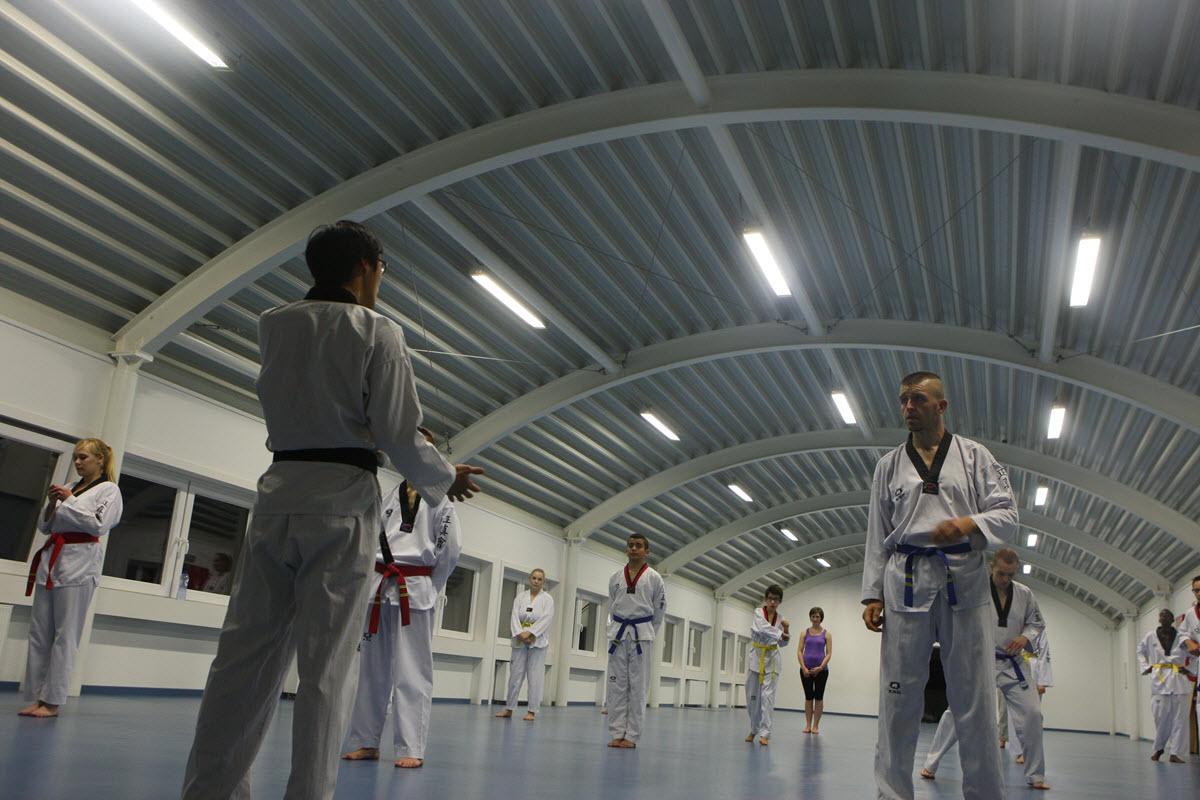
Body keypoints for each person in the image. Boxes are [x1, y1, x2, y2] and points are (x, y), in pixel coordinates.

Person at [180, 221, 483, 800]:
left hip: (278, 494)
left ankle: (209, 791)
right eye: (381, 270)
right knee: (326, 670)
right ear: (367, 266)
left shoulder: (275, 322)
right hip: (342, 502)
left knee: (242, 659)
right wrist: (447, 476)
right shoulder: (378, 331)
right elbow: (398, 432)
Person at [861, 371, 1018, 800]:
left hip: (963, 580)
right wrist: (872, 593)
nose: (908, 407)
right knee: (898, 697)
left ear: (941, 405)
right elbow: (878, 532)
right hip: (906, 580)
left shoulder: (974, 456)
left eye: (918, 399)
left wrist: (968, 524)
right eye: (903, 400)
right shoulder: (888, 465)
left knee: (975, 697)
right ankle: (892, 793)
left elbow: (1007, 515)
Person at [342, 431, 462, 767]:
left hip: (415, 588)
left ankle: (411, 747)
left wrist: (430, 586)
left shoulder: (441, 500)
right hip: (379, 586)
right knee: (370, 669)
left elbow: (450, 550)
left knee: (412, 670)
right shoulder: (388, 495)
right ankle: (366, 742)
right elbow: (369, 539)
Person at [919, 549, 1049, 789]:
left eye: (1011, 574)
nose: (1006, 579)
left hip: (1013, 664)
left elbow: (1036, 623)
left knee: (1033, 713)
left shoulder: (1024, 594)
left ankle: (1036, 775)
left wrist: (1025, 637)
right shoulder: (976, 590)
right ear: (992, 567)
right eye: (1001, 573)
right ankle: (931, 764)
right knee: (957, 711)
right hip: (981, 661)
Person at [19, 438, 123, 719]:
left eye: (83, 457)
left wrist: (68, 500)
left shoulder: (109, 490)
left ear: (100, 459)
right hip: (51, 561)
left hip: (80, 564)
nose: (77, 462)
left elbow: (99, 524)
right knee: (40, 633)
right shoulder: (72, 486)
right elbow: (46, 526)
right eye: (76, 457)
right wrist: (53, 504)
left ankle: (52, 702)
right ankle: (37, 696)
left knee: (65, 636)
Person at [605, 533, 666, 748]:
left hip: (642, 634)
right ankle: (616, 732)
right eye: (630, 545)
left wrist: (648, 631)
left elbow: (659, 610)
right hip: (619, 633)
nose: (634, 548)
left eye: (639, 546)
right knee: (616, 685)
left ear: (646, 552)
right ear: (626, 549)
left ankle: (631, 735)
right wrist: (613, 628)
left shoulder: (654, 578)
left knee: (638, 686)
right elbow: (612, 605)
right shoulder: (615, 577)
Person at [497, 568, 554, 721]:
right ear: (529, 579)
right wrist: (521, 634)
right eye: (534, 578)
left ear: (543, 582)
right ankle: (509, 708)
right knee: (515, 675)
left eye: (539, 579)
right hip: (520, 639)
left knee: (535, 677)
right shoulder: (520, 597)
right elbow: (514, 617)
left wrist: (531, 634)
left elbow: (546, 619)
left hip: (538, 641)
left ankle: (532, 711)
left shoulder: (547, 599)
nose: (536, 581)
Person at [1136, 608, 1191, 763]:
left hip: (1178, 679)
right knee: (1160, 717)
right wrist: (1145, 666)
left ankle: (1175, 753)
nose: (1164, 617)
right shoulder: (1150, 636)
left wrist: (1190, 668)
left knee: (1180, 719)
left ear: (1172, 620)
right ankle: (1159, 748)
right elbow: (1140, 651)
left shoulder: (1182, 637)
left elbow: (1194, 653)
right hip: (1159, 680)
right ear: (1159, 619)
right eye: (1162, 615)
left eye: (1167, 615)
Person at [744, 585, 789, 744]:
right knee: (752, 697)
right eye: (770, 598)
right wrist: (780, 633)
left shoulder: (781, 619)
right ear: (765, 599)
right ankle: (754, 729)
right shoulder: (758, 613)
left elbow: (783, 643)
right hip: (757, 658)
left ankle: (765, 734)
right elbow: (761, 628)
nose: (772, 602)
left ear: (780, 601)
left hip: (772, 660)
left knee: (768, 698)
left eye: (776, 599)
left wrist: (786, 631)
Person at [1005, 630, 1053, 764]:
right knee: (1013, 713)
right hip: (1014, 666)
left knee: (1033, 713)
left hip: (1033, 669)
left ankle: (1031, 751)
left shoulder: (1038, 629)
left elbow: (1044, 653)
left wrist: (1042, 682)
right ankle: (1019, 751)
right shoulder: (1012, 625)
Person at [798, 605, 831, 734]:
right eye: (813, 616)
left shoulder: (826, 634)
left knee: (818, 697)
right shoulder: (804, 633)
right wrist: (803, 667)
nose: (815, 619)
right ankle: (808, 725)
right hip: (806, 670)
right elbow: (800, 651)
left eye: (817, 616)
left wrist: (820, 667)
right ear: (810, 617)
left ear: (821, 618)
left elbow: (829, 653)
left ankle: (815, 726)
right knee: (808, 697)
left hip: (821, 671)